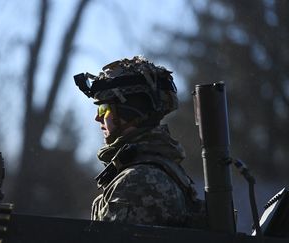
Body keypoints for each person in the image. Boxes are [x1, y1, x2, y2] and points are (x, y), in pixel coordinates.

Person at [74, 56, 206, 228]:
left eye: (104, 108)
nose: (98, 117)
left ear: (129, 112)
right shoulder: (158, 168)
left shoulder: (137, 181)